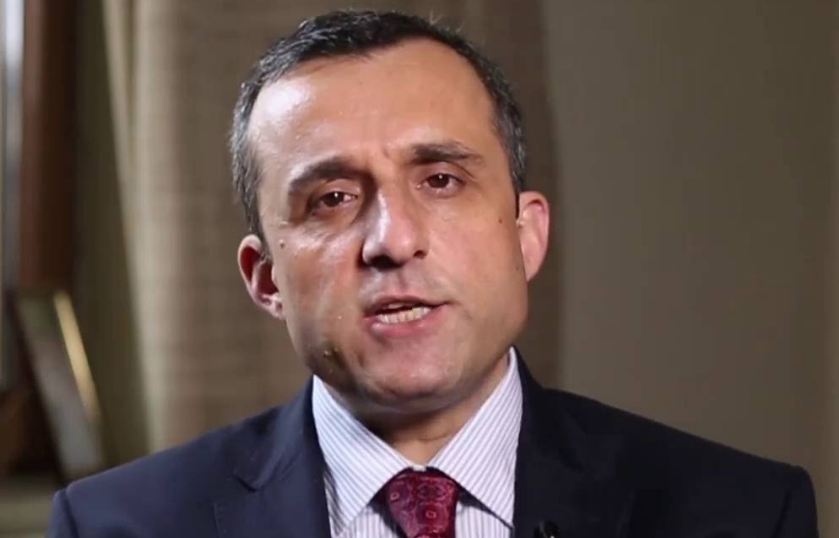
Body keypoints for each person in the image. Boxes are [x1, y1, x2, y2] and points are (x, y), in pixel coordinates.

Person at [48, 10, 818, 538]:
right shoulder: (120, 525)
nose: (393, 240)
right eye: (332, 198)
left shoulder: (742, 513)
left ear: (526, 236)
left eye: (441, 180)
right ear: (266, 277)